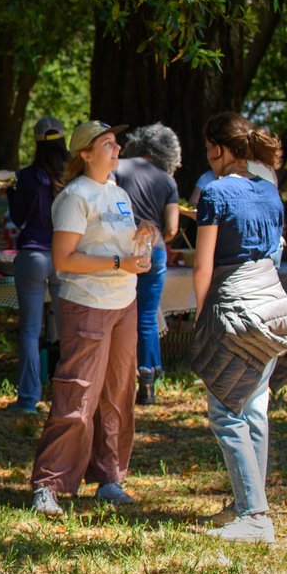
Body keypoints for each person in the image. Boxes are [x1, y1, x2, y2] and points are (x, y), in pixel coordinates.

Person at [191, 112, 287, 544]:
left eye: (208, 148)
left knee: (226, 413)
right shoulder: (269, 192)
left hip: (236, 305)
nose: (207, 157)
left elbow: (204, 265)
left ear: (220, 149)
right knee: (255, 406)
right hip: (276, 304)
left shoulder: (214, 193)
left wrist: (201, 318)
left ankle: (255, 516)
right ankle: (248, 503)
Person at [30, 121, 154, 518]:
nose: (117, 149)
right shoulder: (74, 196)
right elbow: (65, 259)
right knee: (77, 393)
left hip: (124, 303)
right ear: (85, 154)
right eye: (108, 145)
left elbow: (120, 243)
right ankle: (48, 484)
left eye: (117, 144)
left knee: (117, 392)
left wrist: (143, 235)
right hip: (87, 304)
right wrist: (120, 261)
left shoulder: (117, 193)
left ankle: (109, 478)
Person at [115, 123, 182, 406]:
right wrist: (153, 237)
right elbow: (171, 230)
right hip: (153, 252)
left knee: (117, 314)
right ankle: (148, 382)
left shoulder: (118, 168)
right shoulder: (168, 181)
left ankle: (116, 378)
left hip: (121, 251)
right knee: (146, 317)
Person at [6, 116, 68, 415]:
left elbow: (18, 218)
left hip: (32, 256)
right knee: (67, 330)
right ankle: (67, 395)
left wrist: (8, 191)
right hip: (64, 256)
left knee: (30, 331)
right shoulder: (73, 175)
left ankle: (28, 398)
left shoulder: (27, 177)